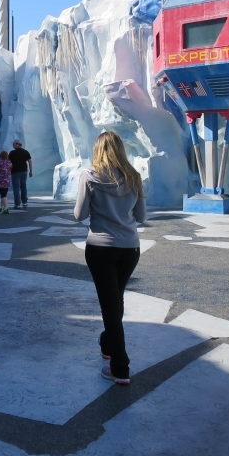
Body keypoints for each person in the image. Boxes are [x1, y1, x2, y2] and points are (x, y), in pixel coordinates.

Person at [74, 131, 146, 386]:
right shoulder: (134, 177)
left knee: (109, 305)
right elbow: (141, 217)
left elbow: (79, 214)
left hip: (100, 247)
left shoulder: (89, 176)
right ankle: (107, 343)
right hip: (129, 247)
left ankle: (120, 367)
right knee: (115, 299)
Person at [8, 139, 33, 209]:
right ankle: (24, 202)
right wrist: (31, 171)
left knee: (16, 188)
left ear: (17, 144)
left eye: (14, 144)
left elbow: (8, 163)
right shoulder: (25, 152)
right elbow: (30, 162)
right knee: (23, 187)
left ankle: (17, 204)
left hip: (15, 172)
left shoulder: (12, 153)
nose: (13, 145)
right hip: (24, 171)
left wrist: (7, 171)